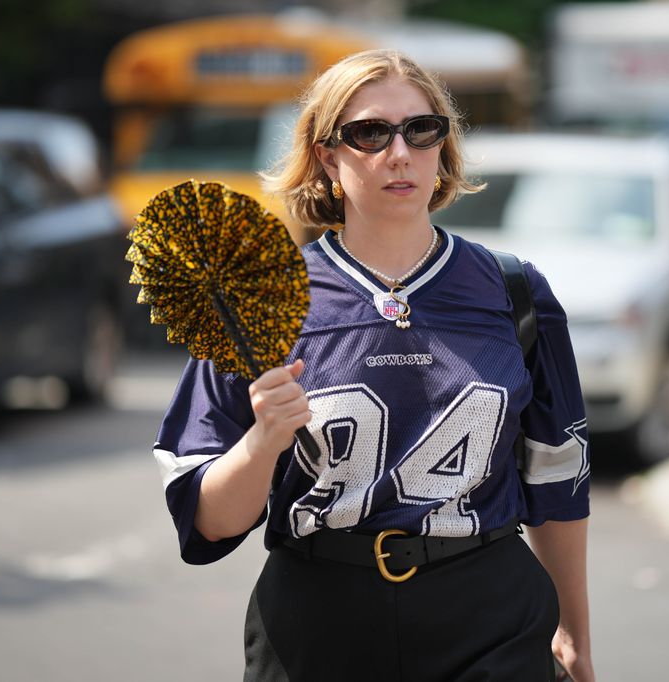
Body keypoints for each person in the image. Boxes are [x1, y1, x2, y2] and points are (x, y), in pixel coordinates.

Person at [153, 49, 595, 682]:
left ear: (443, 147)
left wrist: (574, 634)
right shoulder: (258, 300)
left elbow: (557, 479)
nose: (399, 153)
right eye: (369, 132)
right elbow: (208, 524)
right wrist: (263, 441)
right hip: (317, 618)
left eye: (422, 130)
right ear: (328, 156)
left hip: (491, 615)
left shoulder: (515, 290)